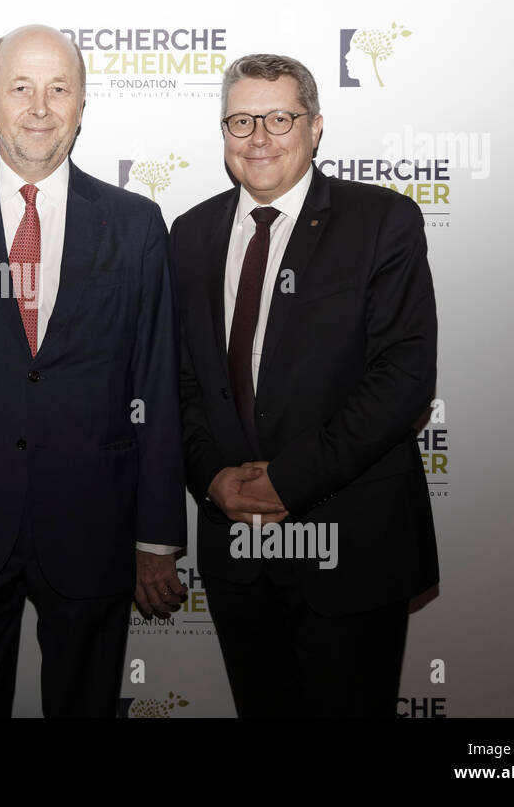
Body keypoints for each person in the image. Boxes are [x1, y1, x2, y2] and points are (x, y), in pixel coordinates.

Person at [0, 24, 186, 717]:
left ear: (82, 105)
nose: (40, 107)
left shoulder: (137, 224)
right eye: (20, 88)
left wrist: (158, 535)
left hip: (94, 526)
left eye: (59, 89)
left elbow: (157, 387)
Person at [172, 53, 439, 717]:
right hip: (237, 549)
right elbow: (176, 383)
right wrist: (213, 478)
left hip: (353, 547)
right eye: (241, 120)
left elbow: (403, 380)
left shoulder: (382, 222)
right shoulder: (190, 234)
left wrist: (286, 480)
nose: (259, 137)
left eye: (279, 118)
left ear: (316, 127)